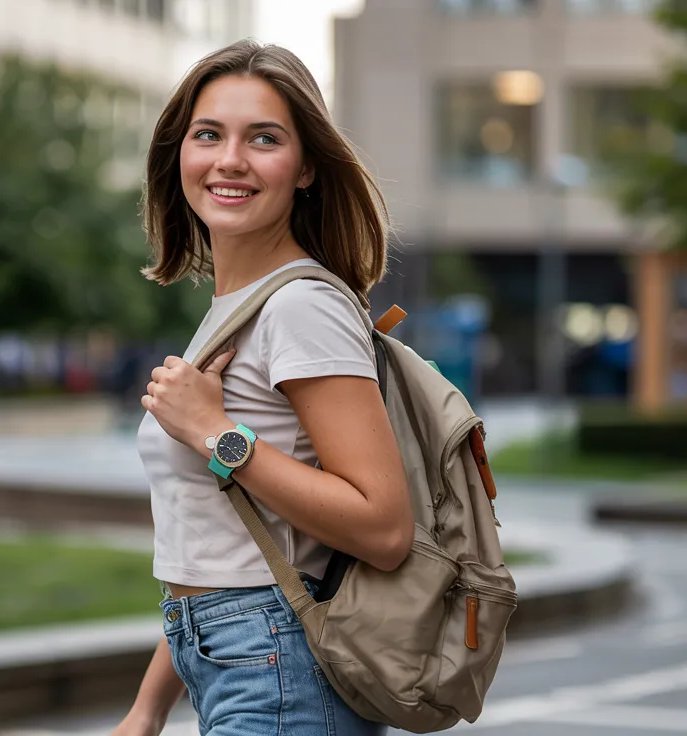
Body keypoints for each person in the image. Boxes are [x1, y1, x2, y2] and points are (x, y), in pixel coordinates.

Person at [116, 39, 411, 736]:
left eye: (264, 139)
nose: (230, 160)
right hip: (225, 655)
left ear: (306, 166)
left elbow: (384, 527)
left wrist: (216, 433)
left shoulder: (300, 308)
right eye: (208, 134)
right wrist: (148, 708)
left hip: (278, 669)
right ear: (178, 153)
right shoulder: (240, 308)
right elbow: (229, 550)